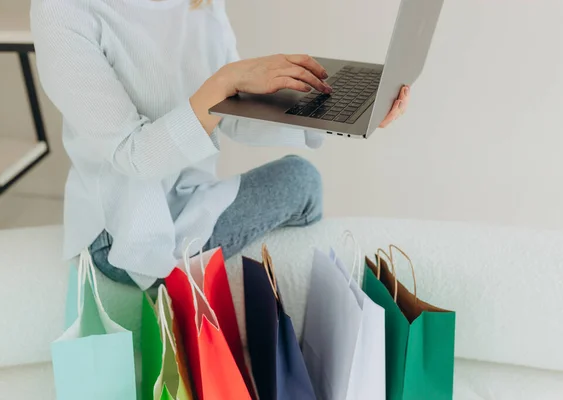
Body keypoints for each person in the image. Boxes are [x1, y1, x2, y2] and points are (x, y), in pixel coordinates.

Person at [30, 0, 410, 289]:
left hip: (193, 199)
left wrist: (333, 109)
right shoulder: (64, 11)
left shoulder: (201, 3)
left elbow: (232, 116)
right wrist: (223, 83)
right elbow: (134, 155)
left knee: (302, 179)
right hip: (124, 231)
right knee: (302, 182)